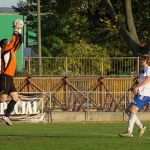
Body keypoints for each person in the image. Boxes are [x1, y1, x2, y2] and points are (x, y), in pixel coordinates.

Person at [119, 55, 150, 137]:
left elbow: (148, 79)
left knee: (132, 111)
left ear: (145, 60)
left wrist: (137, 87)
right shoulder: (142, 70)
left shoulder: (148, 68)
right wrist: (134, 86)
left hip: (145, 93)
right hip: (140, 93)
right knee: (127, 110)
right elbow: (141, 80)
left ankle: (129, 132)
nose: (140, 60)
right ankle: (141, 127)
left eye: (142, 59)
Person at [0, 19, 24, 126]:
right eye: (6, 42)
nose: (7, 42)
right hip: (4, 76)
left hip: (10, 77)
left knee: (15, 98)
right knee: (3, 99)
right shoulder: (5, 50)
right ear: (3, 45)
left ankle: (6, 116)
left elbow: (19, 41)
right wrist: (16, 29)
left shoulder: (12, 51)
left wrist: (20, 32)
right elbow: (14, 40)